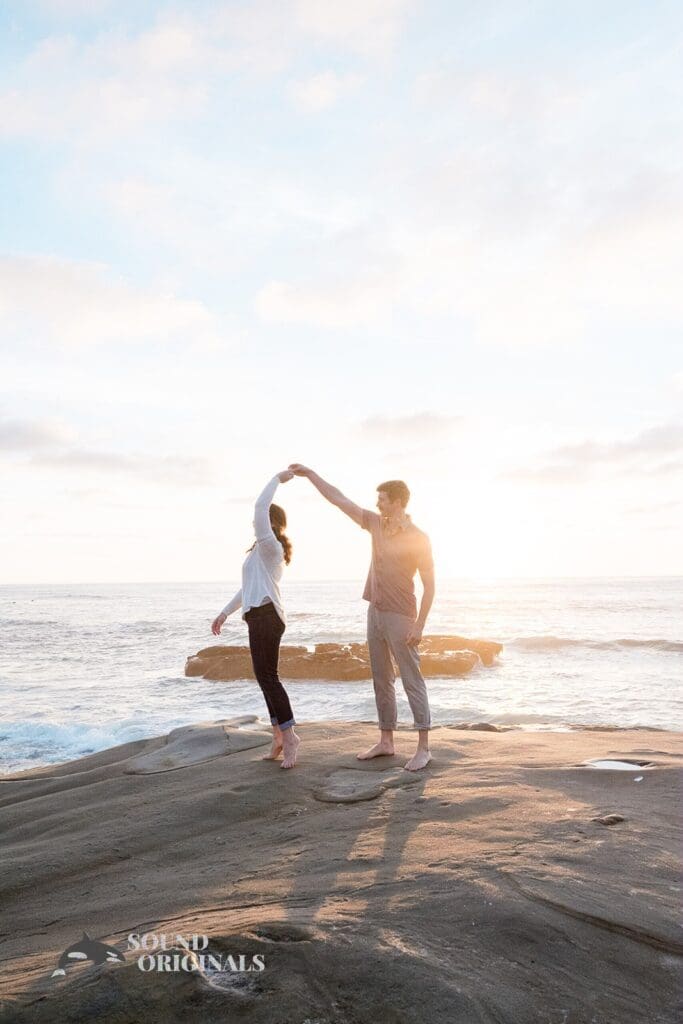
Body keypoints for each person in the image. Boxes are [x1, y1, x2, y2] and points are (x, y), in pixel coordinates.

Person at [288, 464, 434, 771]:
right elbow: (340, 501)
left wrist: (419, 624)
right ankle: (386, 741)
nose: (377, 503)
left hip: (402, 616)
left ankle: (423, 748)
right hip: (375, 612)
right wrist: (312, 475)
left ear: (397, 501)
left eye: (382, 498)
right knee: (381, 678)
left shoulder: (418, 537)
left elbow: (430, 585)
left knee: (411, 680)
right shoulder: (375, 524)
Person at [211, 471, 300, 769]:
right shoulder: (258, 554)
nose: (253, 525)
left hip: (267, 617)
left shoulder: (269, 547)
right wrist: (224, 613)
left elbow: (259, 507)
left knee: (270, 678)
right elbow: (246, 589)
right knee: (264, 678)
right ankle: (277, 736)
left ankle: (290, 738)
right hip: (256, 617)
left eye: (260, 523)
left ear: (271, 523)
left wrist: (277, 478)